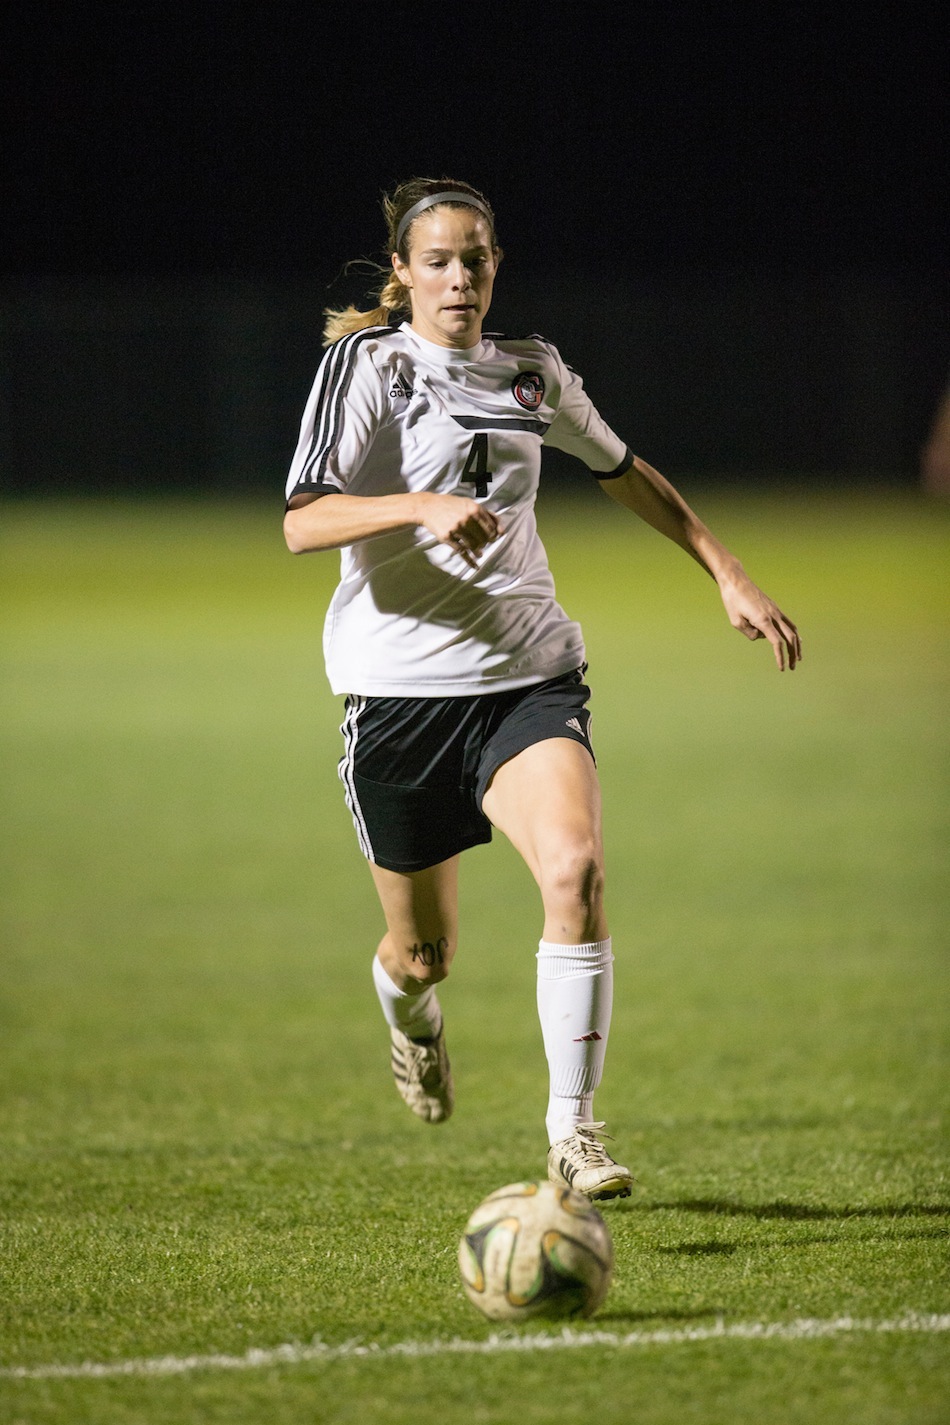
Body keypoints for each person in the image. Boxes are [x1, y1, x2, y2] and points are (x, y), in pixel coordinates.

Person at [283, 178, 801, 1201]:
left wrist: (725, 570)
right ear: (400, 273)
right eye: (435, 260)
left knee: (574, 874)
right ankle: (410, 1020)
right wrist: (419, 506)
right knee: (423, 954)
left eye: (474, 258)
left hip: (528, 679)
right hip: (396, 701)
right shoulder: (368, 366)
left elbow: (624, 469)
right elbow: (302, 521)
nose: (458, 277)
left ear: (494, 266)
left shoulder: (532, 372)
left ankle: (572, 1131)